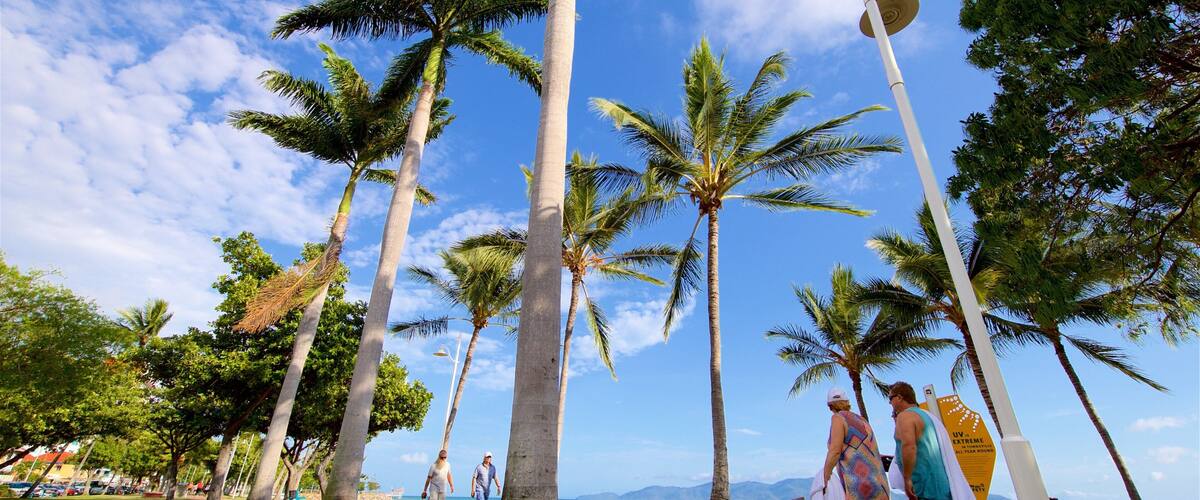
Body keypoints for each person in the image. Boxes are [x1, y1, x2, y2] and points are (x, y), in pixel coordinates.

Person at [818, 387, 889, 500]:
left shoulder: (838, 418)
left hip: (860, 487)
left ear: (830, 406)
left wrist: (824, 479)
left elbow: (835, 451)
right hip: (880, 484)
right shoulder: (862, 420)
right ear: (847, 402)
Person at [889, 382, 951, 500]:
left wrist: (907, 478)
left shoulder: (905, 416)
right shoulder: (926, 416)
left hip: (924, 483)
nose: (890, 403)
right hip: (939, 481)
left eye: (890, 398)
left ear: (899, 397)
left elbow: (909, 446)